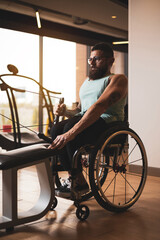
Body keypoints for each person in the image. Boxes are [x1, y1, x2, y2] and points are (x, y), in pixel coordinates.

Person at [48, 42, 128, 197]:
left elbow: (100, 106)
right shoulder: (87, 82)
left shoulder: (117, 79)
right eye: (90, 59)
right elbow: (81, 110)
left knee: (68, 130)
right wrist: (65, 112)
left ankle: (78, 182)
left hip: (109, 123)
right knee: (56, 129)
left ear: (110, 61)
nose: (91, 62)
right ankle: (77, 179)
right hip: (88, 120)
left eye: (96, 59)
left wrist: (71, 132)